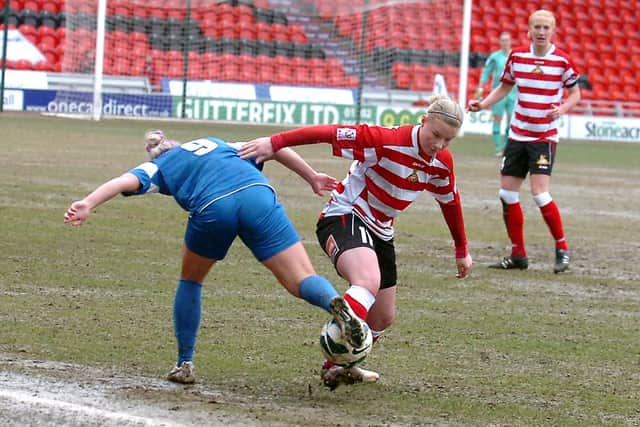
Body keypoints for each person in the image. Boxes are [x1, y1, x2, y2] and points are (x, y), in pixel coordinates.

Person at [63, 130, 368, 384]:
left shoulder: (158, 166)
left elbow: (121, 182)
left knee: (191, 281)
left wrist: (88, 203)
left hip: (213, 207)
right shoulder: (219, 145)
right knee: (302, 278)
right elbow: (272, 147)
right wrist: (312, 176)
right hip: (257, 194)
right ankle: (332, 303)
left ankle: (184, 363)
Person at [240, 94, 473, 389]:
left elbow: (450, 201)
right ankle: (337, 337)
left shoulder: (441, 163)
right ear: (423, 121)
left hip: (382, 231)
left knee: (383, 317)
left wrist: (461, 248)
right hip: (344, 216)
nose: (439, 145)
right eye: (435, 134)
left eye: (448, 140)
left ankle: (338, 366)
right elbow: (328, 132)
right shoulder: (385, 139)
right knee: (367, 281)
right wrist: (274, 143)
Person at [468, 9, 581, 273]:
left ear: (553, 31)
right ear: (529, 30)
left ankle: (562, 249)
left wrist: (562, 108)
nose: (541, 32)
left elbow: (575, 94)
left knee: (540, 193)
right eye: (537, 27)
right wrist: (483, 104)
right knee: (506, 193)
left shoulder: (562, 61)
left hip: (543, 137)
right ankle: (518, 255)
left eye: (546, 28)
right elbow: (505, 87)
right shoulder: (517, 57)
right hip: (518, 135)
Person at [475, 31, 518, 156]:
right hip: (498, 92)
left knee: (511, 120)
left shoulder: (515, 55)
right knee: (498, 119)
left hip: (513, 93)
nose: (505, 43)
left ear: (510, 42)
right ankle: (498, 148)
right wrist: (480, 88)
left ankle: (507, 147)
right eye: (503, 40)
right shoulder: (495, 57)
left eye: (507, 40)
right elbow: (486, 73)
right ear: (500, 42)